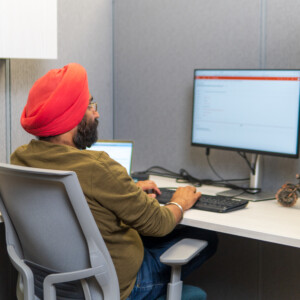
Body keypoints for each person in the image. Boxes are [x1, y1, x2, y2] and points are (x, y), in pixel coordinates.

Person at [11, 63, 218, 300]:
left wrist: (126, 189)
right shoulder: (97, 167)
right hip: (117, 287)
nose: (96, 113)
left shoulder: (20, 159)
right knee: (206, 237)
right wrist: (180, 202)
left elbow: (79, 198)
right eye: (89, 106)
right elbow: (158, 223)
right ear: (71, 116)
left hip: (51, 286)